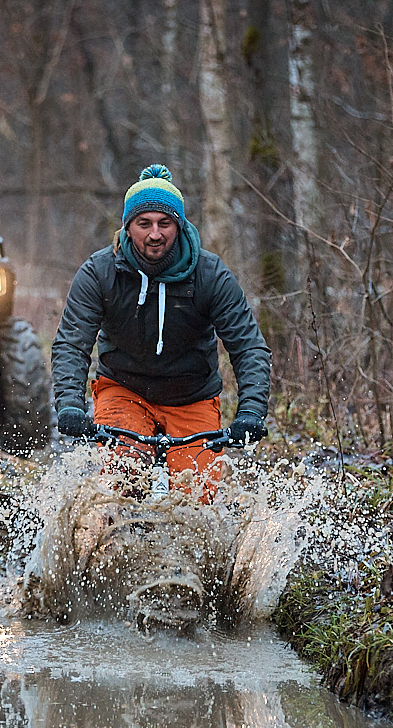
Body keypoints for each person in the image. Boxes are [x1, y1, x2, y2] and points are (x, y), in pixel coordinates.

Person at [51, 164, 271, 497]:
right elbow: (71, 343)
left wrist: (251, 410)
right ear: (128, 227)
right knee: (120, 486)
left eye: (164, 223)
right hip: (123, 389)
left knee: (196, 500)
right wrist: (69, 404)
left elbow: (249, 346)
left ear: (179, 226)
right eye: (144, 224)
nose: (155, 234)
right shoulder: (99, 272)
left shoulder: (210, 275)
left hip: (192, 396)